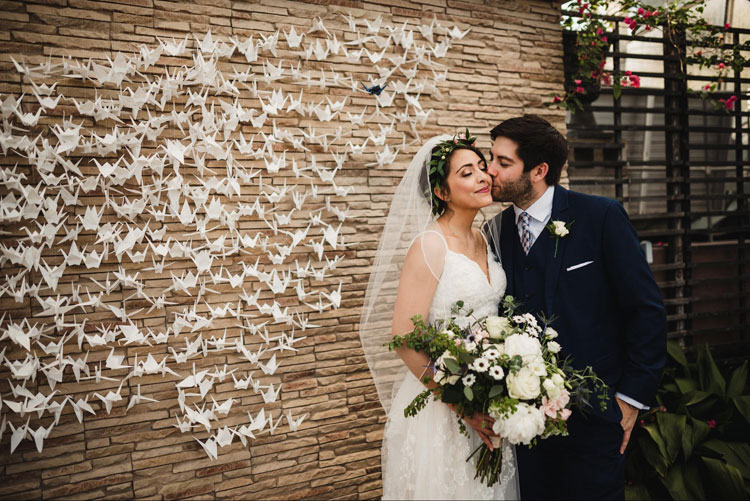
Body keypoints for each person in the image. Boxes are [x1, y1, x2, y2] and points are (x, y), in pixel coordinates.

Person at [483, 115, 667, 500]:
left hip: (596, 418)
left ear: (539, 170)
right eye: (491, 158)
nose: (490, 171)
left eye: (503, 162)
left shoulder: (601, 216)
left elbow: (645, 310)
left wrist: (629, 402)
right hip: (523, 424)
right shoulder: (493, 232)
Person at [360, 134, 519, 499]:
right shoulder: (430, 245)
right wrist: (463, 407)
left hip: (490, 397)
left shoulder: (484, 237)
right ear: (442, 192)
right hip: (442, 408)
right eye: (468, 172)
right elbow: (403, 337)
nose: (483, 176)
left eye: (483, 167)